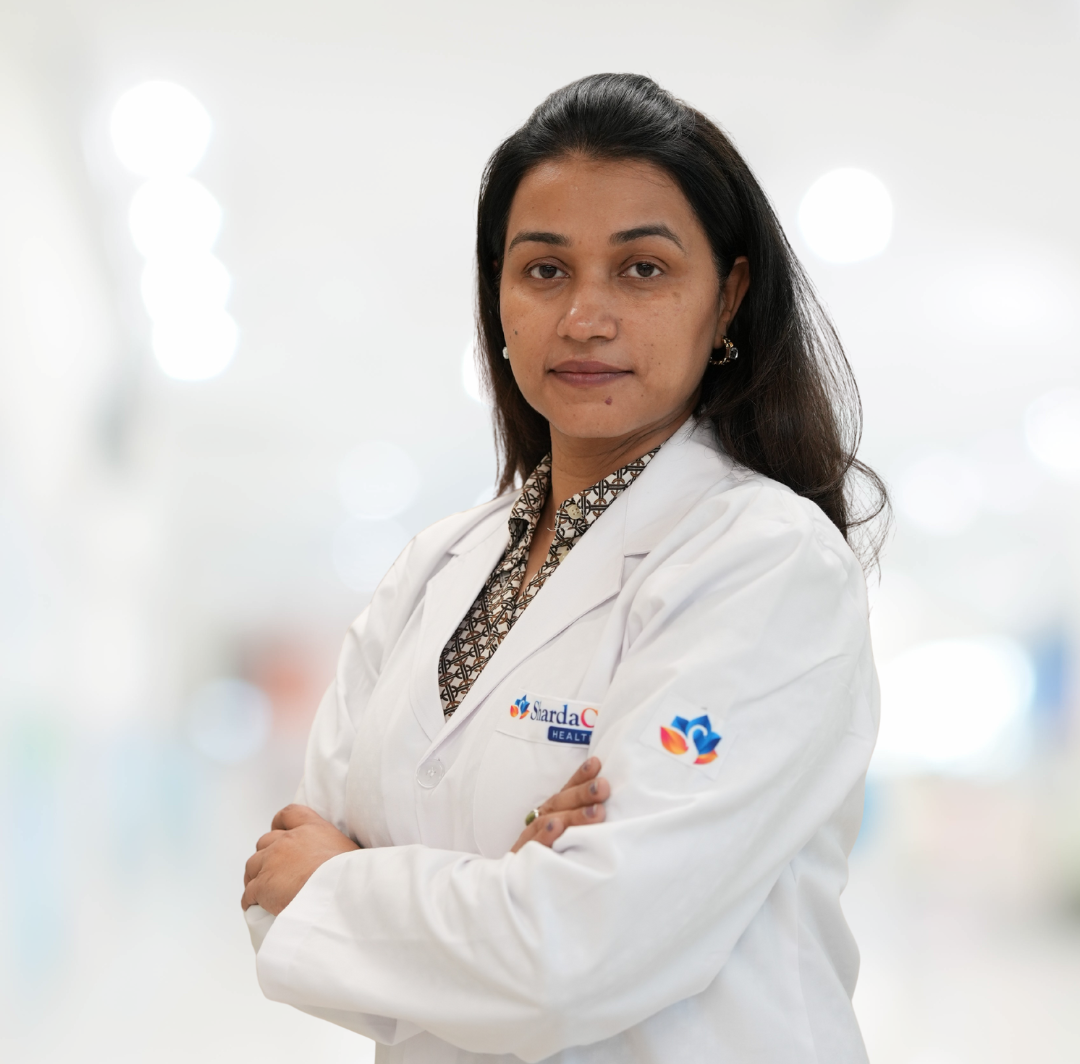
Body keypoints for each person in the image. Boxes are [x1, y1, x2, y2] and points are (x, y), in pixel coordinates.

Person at [241, 72, 887, 1063]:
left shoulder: (766, 562)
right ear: (497, 296)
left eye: (642, 269)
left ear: (729, 298)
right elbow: (278, 895)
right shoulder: (435, 569)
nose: (586, 316)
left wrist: (353, 890)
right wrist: (496, 891)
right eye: (545, 270)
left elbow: (575, 954)